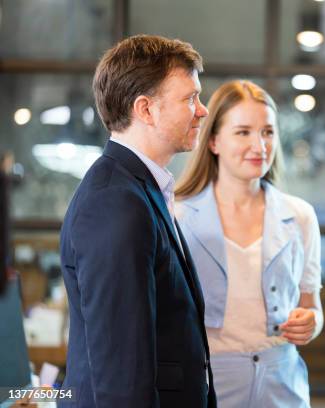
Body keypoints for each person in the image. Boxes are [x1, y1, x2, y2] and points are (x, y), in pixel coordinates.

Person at [59, 34, 216, 407]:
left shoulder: (139, 188)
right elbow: (121, 369)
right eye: (190, 98)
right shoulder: (116, 201)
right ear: (146, 110)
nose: (202, 110)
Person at [175, 80, 323, 408]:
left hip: (283, 383)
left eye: (268, 132)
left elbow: (312, 306)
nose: (259, 146)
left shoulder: (300, 216)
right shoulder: (178, 215)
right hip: (208, 381)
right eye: (243, 132)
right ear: (213, 140)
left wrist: (311, 323)